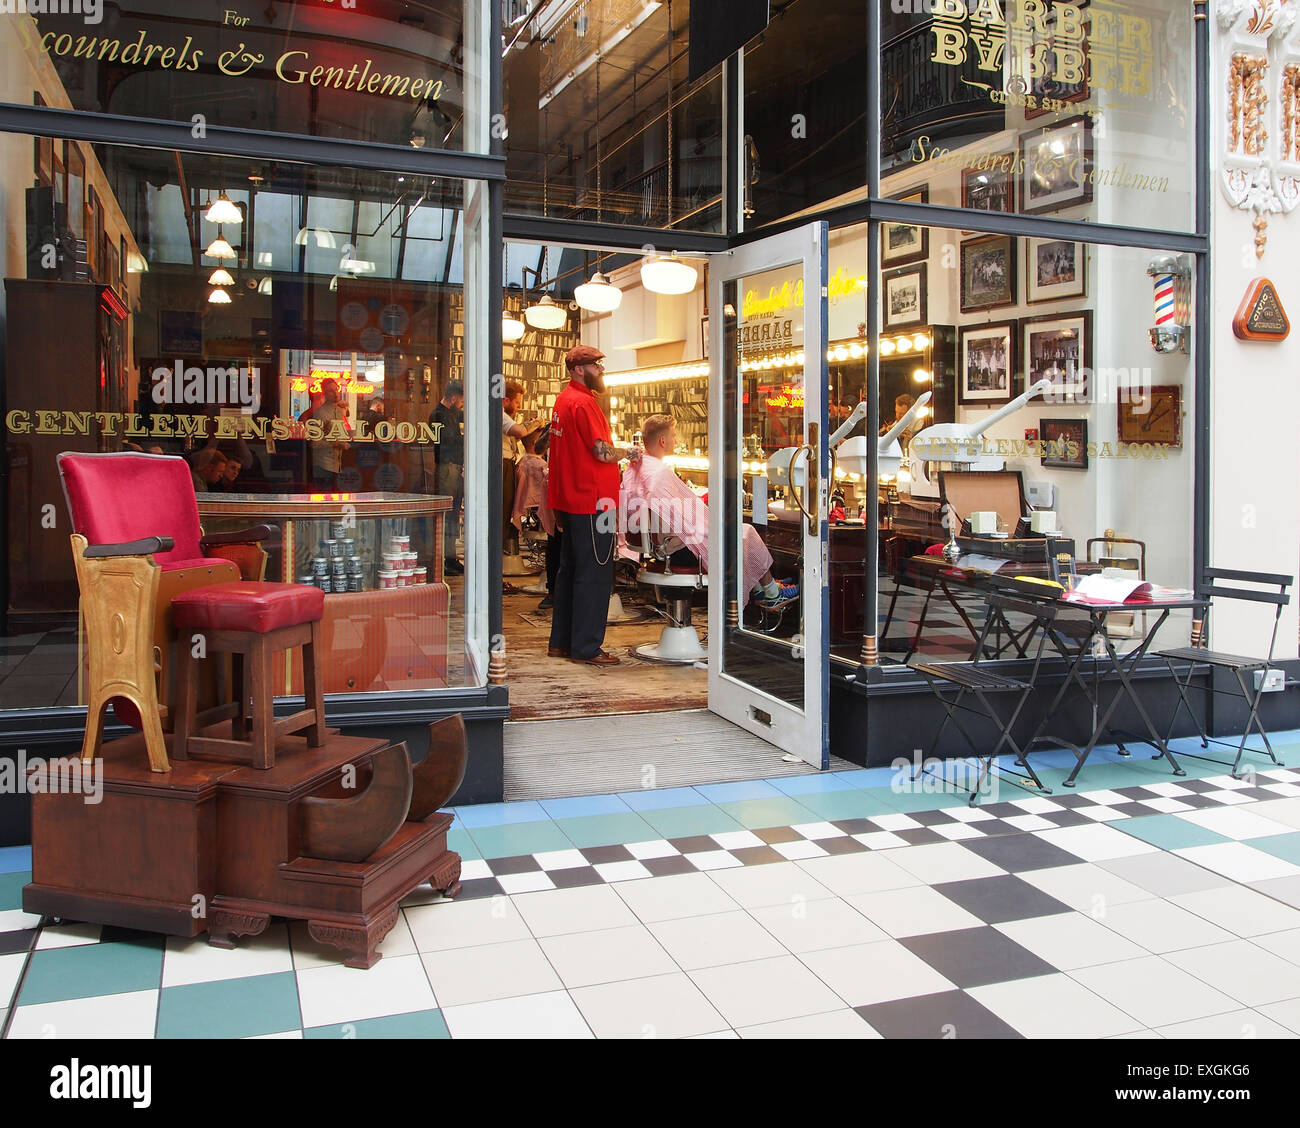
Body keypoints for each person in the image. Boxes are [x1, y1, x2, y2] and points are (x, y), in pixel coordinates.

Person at [623, 414, 798, 609]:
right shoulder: (658, 474)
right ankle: (773, 592)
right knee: (744, 531)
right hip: (678, 552)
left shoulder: (637, 468)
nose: (676, 440)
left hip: (660, 550)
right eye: (673, 435)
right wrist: (703, 526)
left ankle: (759, 589)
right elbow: (674, 525)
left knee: (729, 533)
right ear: (663, 440)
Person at [547, 345, 638, 666]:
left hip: (570, 499)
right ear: (576, 369)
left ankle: (561, 643)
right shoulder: (584, 404)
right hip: (592, 500)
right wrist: (629, 451)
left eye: (600, 365)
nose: (601, 371)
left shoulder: (563, 401)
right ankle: (586, 647)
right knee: (595, 574)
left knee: (570, 571)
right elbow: (601, 452)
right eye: (595, 366)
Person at [511, 425, 557, 606]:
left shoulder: (528, 461)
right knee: (557, 539)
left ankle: (553, 590)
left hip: (535, 510)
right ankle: (555, 589)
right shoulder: (538, 465)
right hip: (543, 510)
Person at [501, 379, 543, 557]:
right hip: (501, 465)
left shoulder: (505, 416)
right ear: (506, 400)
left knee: (506, 508)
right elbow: (519, 432)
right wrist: (537, 423)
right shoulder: (498, 413)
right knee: (503, 510)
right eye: (517, 402)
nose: (519, 406)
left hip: (508, 463)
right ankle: (497, 554)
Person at [430, 381, 465, 576]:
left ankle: (451, 557)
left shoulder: (449, 414)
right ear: (453, 398)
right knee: (447, 514)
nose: (462, 405)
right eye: (461, 401)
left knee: (452, 515)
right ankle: (445, 559)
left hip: (453, 467)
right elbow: (449, 442)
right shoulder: (439, 415)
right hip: (446, 467)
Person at [310, 378, 351, 489]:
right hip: (323, 465)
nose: (335, 393)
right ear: (324, 394)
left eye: (336, 389)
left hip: (337, 464)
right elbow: (315, 443)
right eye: (330, 391)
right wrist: (337, 444)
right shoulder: (320, 414)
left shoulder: (338, 410)